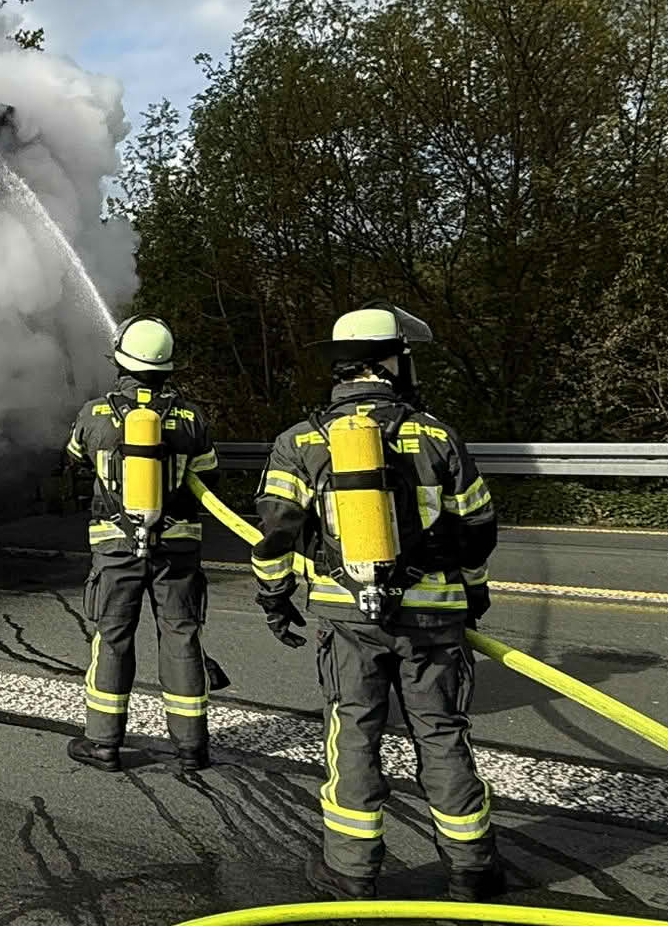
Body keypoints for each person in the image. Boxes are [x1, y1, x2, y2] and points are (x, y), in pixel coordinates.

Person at [251, 303, 504, 902]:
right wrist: (473, 588)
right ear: (393, 362)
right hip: (432, 618)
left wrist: (274, 595)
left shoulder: (301, 440)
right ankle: (471, 867)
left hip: (346, 617)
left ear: (340, 367)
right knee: (441, 732)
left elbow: (277, 528)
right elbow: (478, 524)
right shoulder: (437, 435)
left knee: (353, 731)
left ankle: (350, 870)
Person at [62, 315, 222, 773]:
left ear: (120, 360)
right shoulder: (191, 418)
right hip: (178, 549)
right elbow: (208, 476)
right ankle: (192, 748)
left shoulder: (95, 413)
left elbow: (73, 459)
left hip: (115, 549)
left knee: (112, 640)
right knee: (182, 637)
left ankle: (104, 744)